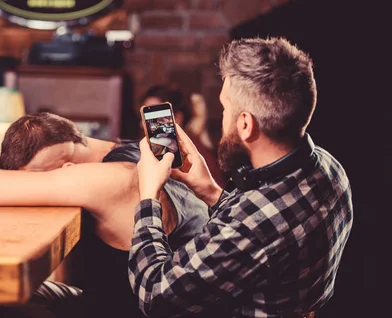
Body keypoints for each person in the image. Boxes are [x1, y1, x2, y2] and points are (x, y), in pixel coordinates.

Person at [129, 37, 353, 317]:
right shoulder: (331, 170)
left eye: (225, 108)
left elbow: (154, 296)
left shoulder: (252, 225)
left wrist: (148, 195)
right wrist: (210, 190)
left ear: (245, 124)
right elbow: (268, 227)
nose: (222, 117)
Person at [0, 112, 209, 318]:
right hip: (121, 302)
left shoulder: (112, 178)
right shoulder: (135, 153)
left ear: (66, 166)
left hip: (132, 312)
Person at [141, 84, 226, 187]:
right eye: (145, 117)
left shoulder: (197, 155)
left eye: (155, 119)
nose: (143, 125)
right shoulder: (151, 154)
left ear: (177, 118)